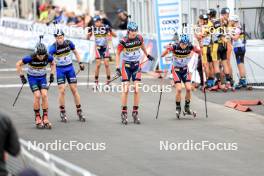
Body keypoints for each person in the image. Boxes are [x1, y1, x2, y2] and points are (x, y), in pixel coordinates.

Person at [115, 21, 154, 125]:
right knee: (126, 89)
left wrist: (147, 55)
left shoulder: (139, 38)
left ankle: (135, 112)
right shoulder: (123, 41)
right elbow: (118, 53)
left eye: (135, 30)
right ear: (128, 31)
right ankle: (124, 112)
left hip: (136, 66)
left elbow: (142, 46)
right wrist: (117, 67)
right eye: (132, 31)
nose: (134, 33)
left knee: (137, 89)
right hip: (126, 67)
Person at [48, 29, 85, 122]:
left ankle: (79, 110)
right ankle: (62, 111)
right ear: (55, 38)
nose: (60, 40)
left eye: (61, 37)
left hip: (70, 69)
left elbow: (76, 52)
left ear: (63, 37)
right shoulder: (53, 47)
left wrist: (80, 63)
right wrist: (52, 73)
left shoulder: (69, 43)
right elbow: (50, 61)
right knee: (62, 90)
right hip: (60, 70)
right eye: (58, 38)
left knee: (74, 90)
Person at [16, 42, 55, 129]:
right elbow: (18, 64)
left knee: (44, 95)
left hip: (42, 78)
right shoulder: (30, 57)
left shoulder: (47, 56)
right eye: (39, 55)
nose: (41, 57)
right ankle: (37, 117)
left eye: (43, 55)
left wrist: (52, 74)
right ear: (36, 53)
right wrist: (22, 76)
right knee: (37, 96)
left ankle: (45, 117)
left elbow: (53, 63)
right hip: (32, 78)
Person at [161, 34, 200, 117]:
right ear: (180, 42)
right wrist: (166, 51)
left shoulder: (190, 46)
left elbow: (199, 51)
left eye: (185, 44)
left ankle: (187, 107)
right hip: (176, 70)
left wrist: (200, 51)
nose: (183, 46)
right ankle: (178, 107)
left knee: (189, 89)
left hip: (185, 70)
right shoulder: (175, 46)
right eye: (182, 44)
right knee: (179, 89)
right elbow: (164, 53)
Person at [87, 15, 116, 86]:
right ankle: (96, 81)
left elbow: (114, 35)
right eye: (95, 22)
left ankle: (108, 80)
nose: (96, 23)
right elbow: (88, 37)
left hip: (105, 47)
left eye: (97, 22)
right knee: (98, 65)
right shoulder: (92, 28)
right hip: (97, 48)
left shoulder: (106, 27)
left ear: (100, 21)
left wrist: (110, 34)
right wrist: (89, 34)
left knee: (106, 64)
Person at [229, 15, 248, 89]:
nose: (230, 22)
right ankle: (243, 79)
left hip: (239, 47)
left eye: (231, 21)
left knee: (240, 64)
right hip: (240, 47)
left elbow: (236, 38)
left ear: (234, 21)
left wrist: (230, 34)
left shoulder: (237, 28)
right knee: (241, 63)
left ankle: (243, 80)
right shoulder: (237, 27)